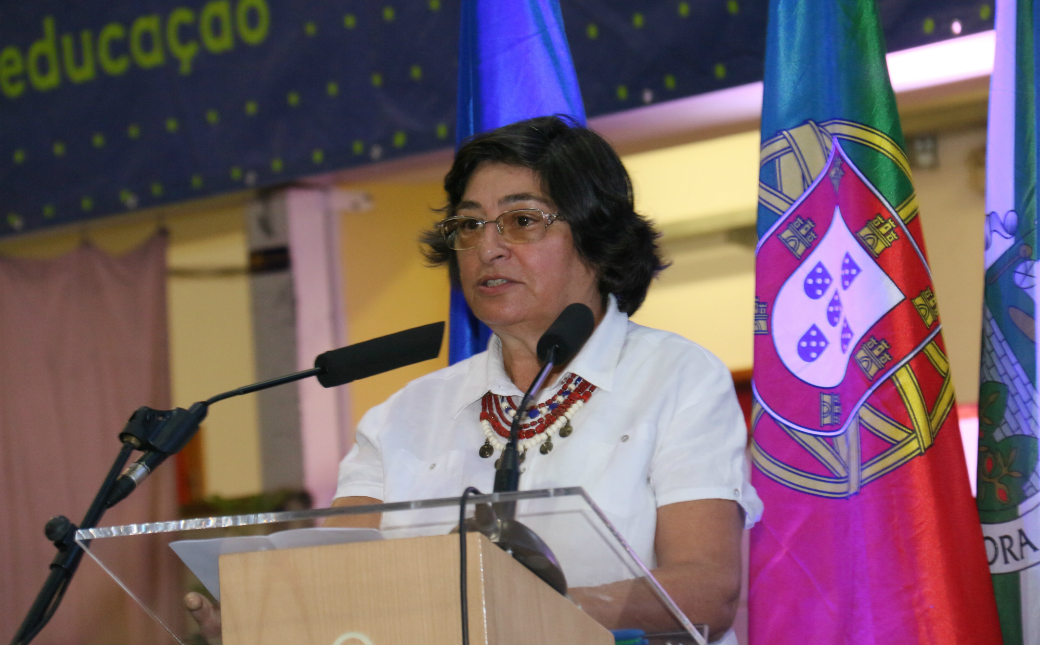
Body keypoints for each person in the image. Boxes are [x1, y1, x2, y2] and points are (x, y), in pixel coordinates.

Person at [188, 116, 762, 644]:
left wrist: (526, 606)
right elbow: (341, 580)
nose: (488, 247)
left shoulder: (674, 377)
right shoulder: (404, 416)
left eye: (522, 221)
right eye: (469, 224)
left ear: (595, 236)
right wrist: (264, 617)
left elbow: (708, 589)